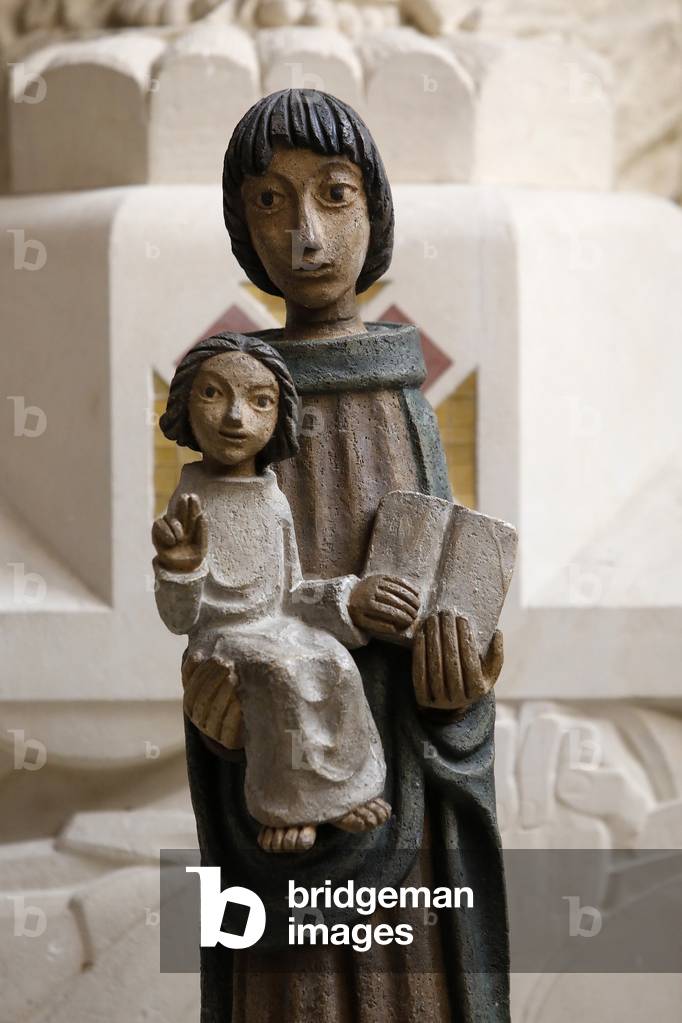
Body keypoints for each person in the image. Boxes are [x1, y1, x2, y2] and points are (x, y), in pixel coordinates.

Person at [187, 89, 510, 1022]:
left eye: (334, 196)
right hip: (278, 796)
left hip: (403, 817)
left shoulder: (404, 394)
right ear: (243, 227)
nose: (307, 238)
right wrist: (215, 720)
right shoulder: (233, 397)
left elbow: (456, 617)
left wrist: (459, 701)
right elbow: (216, 606)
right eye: (270, 203)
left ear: (377, 211)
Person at [152, 332, 394, 852]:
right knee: (279, 670)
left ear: (279, 416)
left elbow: (291, 592)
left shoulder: (273, 499)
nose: (236, 417)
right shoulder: (190, 500)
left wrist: (345, 600)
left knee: (331, 658)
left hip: (277, 627)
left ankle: (348, 790)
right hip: (221, 641)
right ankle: (288, 806)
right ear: (184, 406)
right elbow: (179, 619)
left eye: (259, 401)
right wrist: (181, 568)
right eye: (213, 395)